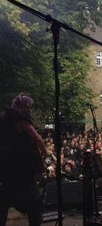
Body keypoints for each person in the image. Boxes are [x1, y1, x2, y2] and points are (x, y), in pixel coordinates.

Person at [0, 93, 49, 226]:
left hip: (6, 167)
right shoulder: (21, 119)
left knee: (3, 203)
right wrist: (46, 154)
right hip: (23, 166)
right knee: (34, 204)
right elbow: (37, 138)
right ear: (24, 106)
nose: (30, 110)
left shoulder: (4, 118)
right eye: (29, 107)